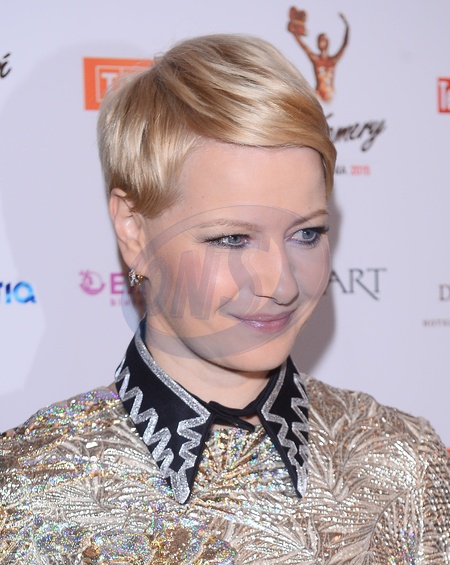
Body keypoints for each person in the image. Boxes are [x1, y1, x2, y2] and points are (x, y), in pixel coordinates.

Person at [0, 34, 449, 564]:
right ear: (134, 231)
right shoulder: (25, 494)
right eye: (232, 239)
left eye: (306, 233)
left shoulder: (406, 463)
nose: (282, 284)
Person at [288, 12, 349, 103]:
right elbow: (304, 46)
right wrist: (294, 33)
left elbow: (344, 45)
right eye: (320, 40)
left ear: (328, 42)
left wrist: (347, 26)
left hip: (330, 95)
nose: (321, 42)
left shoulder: (332, 61)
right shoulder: (316, 60)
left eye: (324, 39)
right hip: (319, 94)